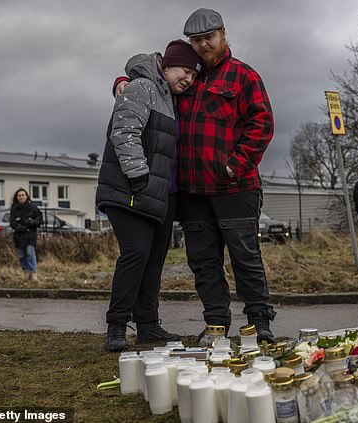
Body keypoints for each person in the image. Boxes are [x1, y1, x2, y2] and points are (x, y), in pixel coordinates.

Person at [115, 8, 276, 343]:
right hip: (193, 192)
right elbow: (151, 81)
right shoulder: (187, 78)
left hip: (235, 187)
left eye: (209, 38)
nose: (203, 45)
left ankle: (260, 320)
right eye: (197, 40)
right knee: (203, 262)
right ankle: (216, 322)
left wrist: (236, 164)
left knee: (245, 257)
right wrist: (124, 82)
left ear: (223, 35)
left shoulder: (244, 76)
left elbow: (262, 124)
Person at [97, 40, 201, 352]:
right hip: (130, 189)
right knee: (136, 254)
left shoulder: (171, 97)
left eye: (194, 76)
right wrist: (138, 174)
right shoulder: (143, 87)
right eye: (185, 71)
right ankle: (116, 325)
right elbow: (124, 131)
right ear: (168, 65)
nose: (188, 79)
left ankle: (147, 325)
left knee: (154, 259)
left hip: (161, 196)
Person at [9, 188, 42, 281]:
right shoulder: (14, 208)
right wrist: (20, 227)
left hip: (30, 235)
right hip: (19, 236)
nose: (21, 197)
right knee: (21, 255)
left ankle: (33, 273)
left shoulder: (33, 207)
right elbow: (12, 222)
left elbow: (40, 220)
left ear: (26, 196)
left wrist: (33, 222)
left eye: (23, 195)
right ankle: (26, 272)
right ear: (17, 197)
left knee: (30, 254)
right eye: (19, 195)